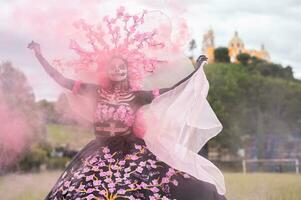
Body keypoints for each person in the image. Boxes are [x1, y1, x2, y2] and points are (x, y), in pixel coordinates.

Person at [28, 8, 226, 199]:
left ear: (127, 71)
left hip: (133, 153)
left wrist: (196, 71)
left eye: (121, 68)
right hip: (99, 152)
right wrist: (38, 55)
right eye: (113, 68)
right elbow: (61, 79)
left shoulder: (138, 96)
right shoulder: (95, 91)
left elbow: (173, 90)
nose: (117, 71)